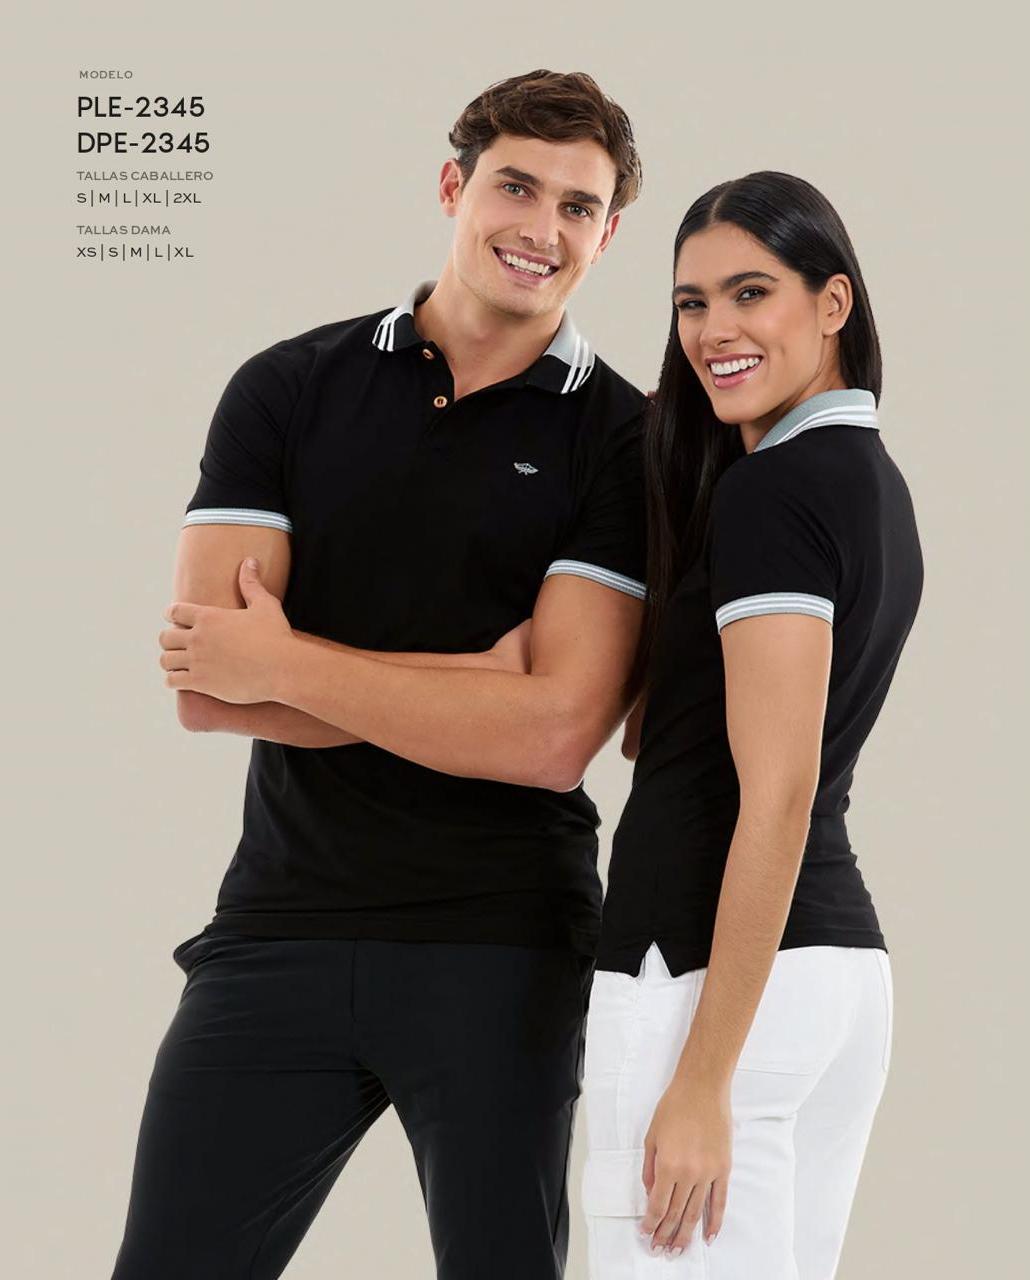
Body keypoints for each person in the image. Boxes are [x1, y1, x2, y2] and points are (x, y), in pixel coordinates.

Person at [111, 70, 647, 1280]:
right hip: (278, 927)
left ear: (607, 233)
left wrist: (287, 660)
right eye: (515, 186)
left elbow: (550, 738)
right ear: (453, 186)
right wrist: (477, 685)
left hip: (502, 944)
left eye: (578, 206)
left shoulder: (625, 436)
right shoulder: (289, 385)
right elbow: (209, 687)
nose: (541, 227)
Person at [580, 171, 923, 1278]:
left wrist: (700, 1078)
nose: (713, 330)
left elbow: (774, 794)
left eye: (750, 292)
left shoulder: (775, 493)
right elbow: (669, 736)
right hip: (832, 984)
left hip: (709, 984)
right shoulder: (866, 482)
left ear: (833, 303)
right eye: (691, 302)